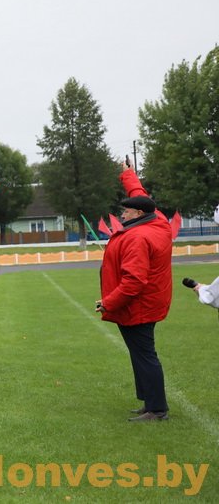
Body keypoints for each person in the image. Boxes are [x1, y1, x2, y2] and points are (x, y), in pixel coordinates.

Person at [96, 163, 173, 422]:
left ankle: (157, 409)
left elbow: (134, 281)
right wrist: (128, 174)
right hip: (149, 303)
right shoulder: (157, 221)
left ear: (139, 213)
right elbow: (140, 194)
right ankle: (149, 402)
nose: (123, 215)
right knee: (140, 355)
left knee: (144, 356)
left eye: (126, 211)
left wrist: (108, 303)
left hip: (138, 307)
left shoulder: (137, 238)